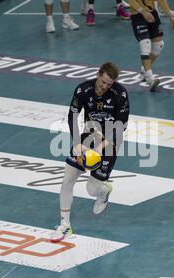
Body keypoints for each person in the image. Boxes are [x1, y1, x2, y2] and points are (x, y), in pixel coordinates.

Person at [51, 62, 130, 242]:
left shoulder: (120, 94)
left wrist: (100, 147)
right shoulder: (83, 90)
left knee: (91, 189)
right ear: (98, 75)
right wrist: (77, 143)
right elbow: (72, 115)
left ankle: (104, 191)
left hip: (110, 142)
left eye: (109, 84)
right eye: (102, 82)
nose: (104, 87)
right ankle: (65, 225)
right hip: (88, 137)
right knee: (67, 179)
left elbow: (121, 126)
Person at [129, 0, 174, 91]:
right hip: (138, 15)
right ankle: (150, 79)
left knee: (159, 45)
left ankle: (144, 70)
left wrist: (170, 15)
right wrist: (143, 11)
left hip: (153, 14)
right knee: (145, 46)